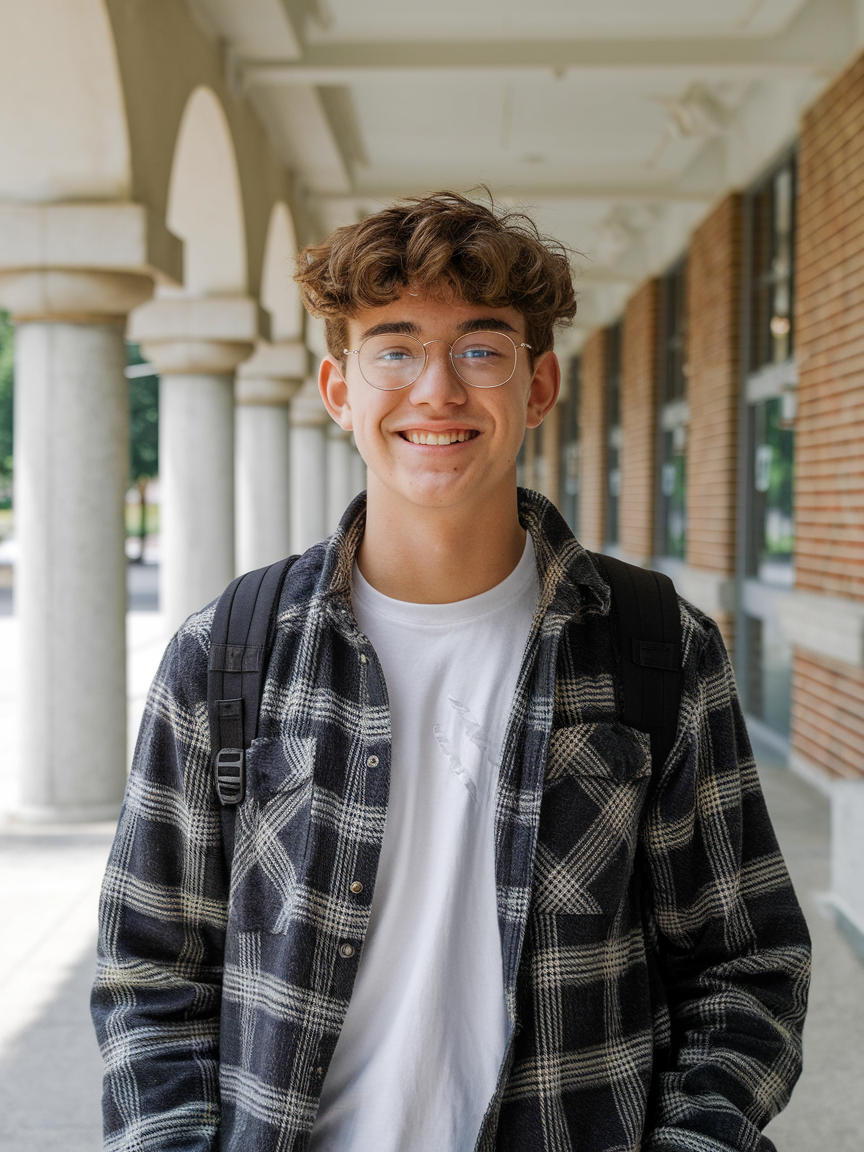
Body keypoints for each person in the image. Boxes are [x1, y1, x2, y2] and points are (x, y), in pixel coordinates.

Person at [91, 191, 810, 1152]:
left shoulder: (656, 649)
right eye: (394, 351)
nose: (437, 390)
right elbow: (149, 974)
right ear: (339, 391)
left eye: (480, 349)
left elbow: (746, 967)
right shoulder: (226, 653)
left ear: (538, 386)